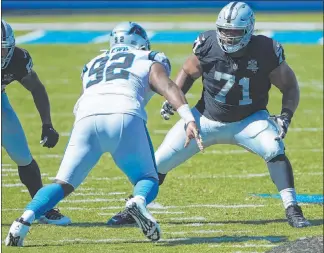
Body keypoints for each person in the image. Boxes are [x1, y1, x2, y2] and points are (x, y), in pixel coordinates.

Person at [107, 2, 311, 228]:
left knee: (274, 148)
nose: (228, 37)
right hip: (204, 120)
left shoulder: (266, 49)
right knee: (157, 163)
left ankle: (292, 208)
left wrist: (285, 116)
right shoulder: (207, 43)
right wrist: (176, 98)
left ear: (249, 30)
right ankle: (133, 207)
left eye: (234, 32)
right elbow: (188, 71)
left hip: (250, 120)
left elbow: (290, 86)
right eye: (224, 30)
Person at [5, 21, 203, 247]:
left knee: (62, 183)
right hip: (124, 114)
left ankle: (22, 222)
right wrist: (187, 117)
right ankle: (137, 201)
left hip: (86, 119)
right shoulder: (147, 57)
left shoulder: (92, 63)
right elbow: (167, 86)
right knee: (148, 178)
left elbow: (82, 97)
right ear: (140, 43)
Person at [1, 19, 71, 226]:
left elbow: (36, 88)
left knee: (23, 156)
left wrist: (47, 124)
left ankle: (43, 208)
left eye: (2, 49)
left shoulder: (18, 59)